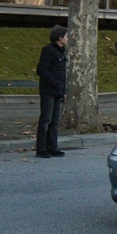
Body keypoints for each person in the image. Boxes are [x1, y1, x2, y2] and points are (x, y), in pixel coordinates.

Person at [35, 25, 68, 158]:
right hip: (48, 90)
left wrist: (63, 91)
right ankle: (41, 148)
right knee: (45, 120)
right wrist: (55, 84)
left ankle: (52, 147)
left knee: (54, 121)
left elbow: (63, 74)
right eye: (66, 36)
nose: (68, 39)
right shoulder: (48, 50)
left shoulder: (61, 52)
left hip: (57, 91)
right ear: (59, 37)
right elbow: (42, 70)